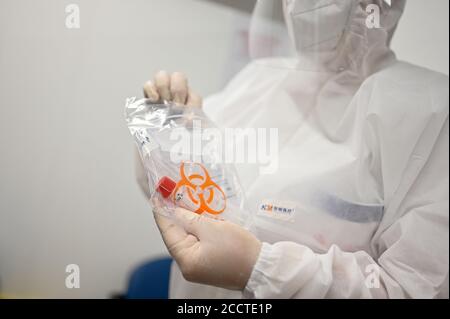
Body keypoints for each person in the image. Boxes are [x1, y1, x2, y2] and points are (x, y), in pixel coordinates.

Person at [136, 0, 449, 298]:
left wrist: (259, 268)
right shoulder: (259, 80)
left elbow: (414, 288)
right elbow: (180, 192)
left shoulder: (429, 113)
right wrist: (168, 139)